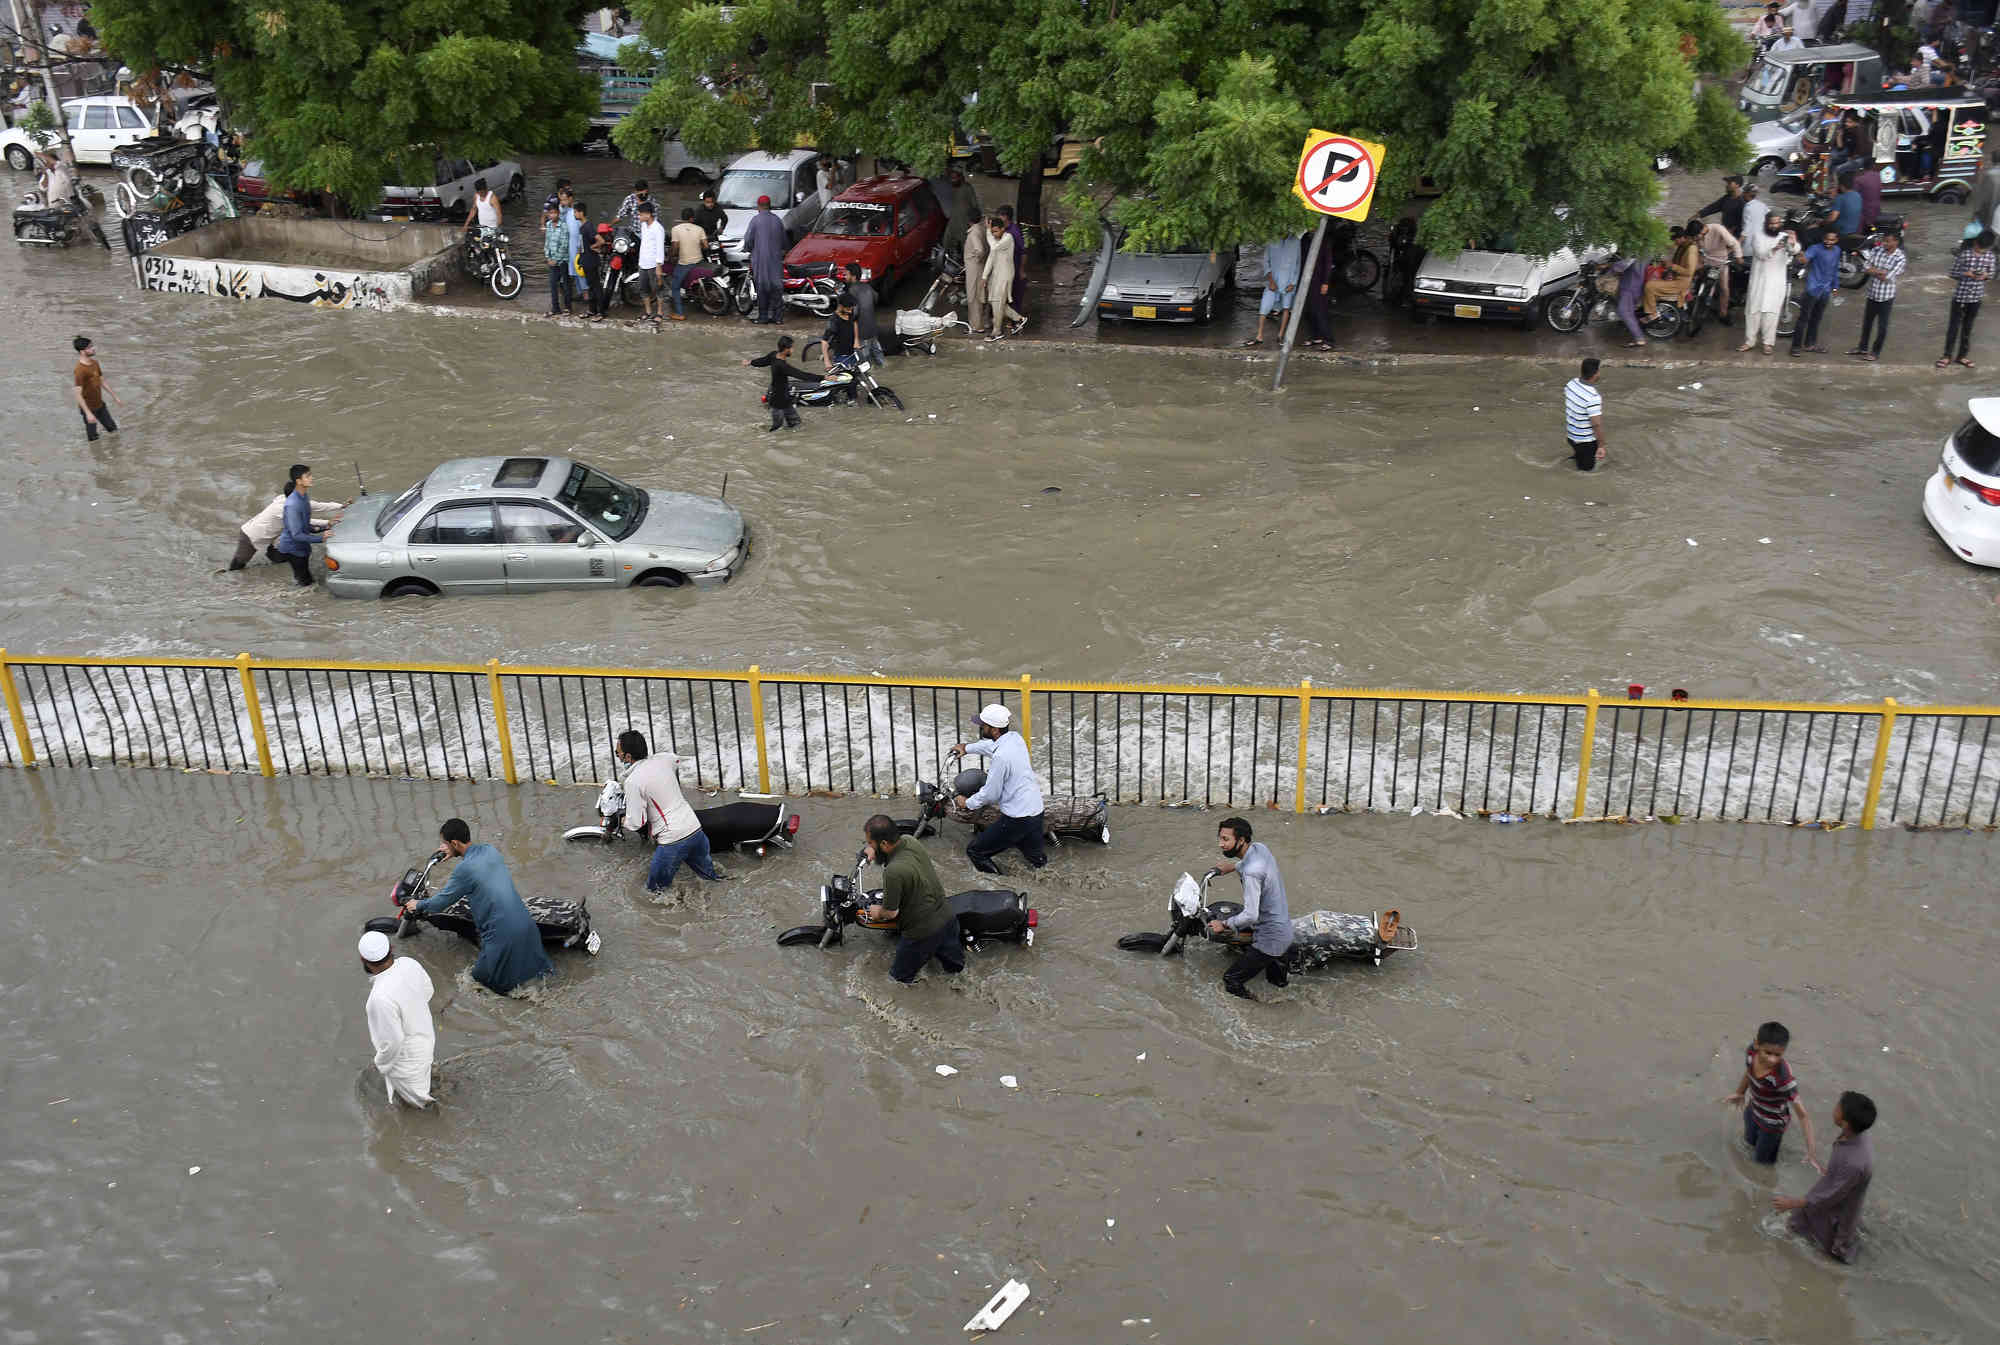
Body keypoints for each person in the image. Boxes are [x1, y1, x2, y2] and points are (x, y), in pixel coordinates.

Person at [398, 818, 554, 995]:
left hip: (502, 937)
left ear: (455, 843)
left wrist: (418, 904)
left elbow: (440, 903)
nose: (443, 847)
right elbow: (479, 873)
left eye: (445, 844)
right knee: (539, 983)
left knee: (476, 983)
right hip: (528, 927)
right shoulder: (491, 850)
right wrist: (454, 853)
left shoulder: (464, 870)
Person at [858, 814, 962, 985]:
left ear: (884, 844)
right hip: (948, 917)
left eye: (870, 843)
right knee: (955, 971)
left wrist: (877, 912)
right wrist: (872, 851)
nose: (868, 846)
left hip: (922, 933)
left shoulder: (893, 871)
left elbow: (891, 913)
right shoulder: (909, 840)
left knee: (898, 981)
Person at [1774, 1092, 1877, 1263]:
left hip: (1836, 1207)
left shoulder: (1855, 1163)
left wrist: (1792, 1203)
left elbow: (1831, 1196)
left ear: (1845, 1123)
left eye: (1838, 1107)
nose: (1834, 1108)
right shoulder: (1854, 1133)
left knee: (1833, 1250)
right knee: (1800, 1224)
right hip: (1834, 1193)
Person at [616, 730, 724, 891]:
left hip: (673, 840)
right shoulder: (664, 760)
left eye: (618, 753)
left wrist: (624, 820)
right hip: (695, 829)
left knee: (655, 891)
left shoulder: (632, 782)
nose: (617, 756)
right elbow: (676, 759)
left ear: (628, 757)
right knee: (711, 879)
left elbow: (636, 823)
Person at [953, 704, 1047, 874]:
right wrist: (966, 748)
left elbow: (991, 794)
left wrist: (967, 803)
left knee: (975, 851)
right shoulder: (1015, 739)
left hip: (1017, 818)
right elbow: (990, 747)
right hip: (1035, 810)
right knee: (1037, 862)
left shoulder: (1001, 758)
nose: (980, 727)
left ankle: (998, 885)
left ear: (994, 729)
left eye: (983, 725)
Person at [1206, 817, 1292, 1001]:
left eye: (1226, 839)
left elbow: (1250, 915)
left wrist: (1224, 924)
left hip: (1269, 939)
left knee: (1231, 980)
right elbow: (1254, 865)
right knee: (1277, 985)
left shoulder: (1251, 873)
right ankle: (1282, 1009)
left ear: (1242, 840)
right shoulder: (1260, 848)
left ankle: (1259, 1006)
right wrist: (1232, 867)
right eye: (1220, 838)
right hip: (1283, 930)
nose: (1220, 844)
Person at [1724, 1021, 1820, 1166]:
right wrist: (1740, 1093)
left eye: (1778, 1055)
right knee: (1748, 1144)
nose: (1772, 1059)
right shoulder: (1751, 1053)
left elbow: (1803, 1115)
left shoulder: (1782, 1078)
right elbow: (1749, 1072)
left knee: (1762, 1163)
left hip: (1772, 1125)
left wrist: (1811, 1152)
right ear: (1756, 1044)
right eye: (1767, 1053)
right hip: (1753, 1111)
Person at [358, 929, 436, 1108]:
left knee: (419, 1105)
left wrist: (381, 1064)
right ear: (391, 948)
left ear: (364, 960)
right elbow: (428, 990)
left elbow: (393, 1042)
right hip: (426, 1038)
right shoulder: (410, 964)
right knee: (424, 1086)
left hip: (407, 1061)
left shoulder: (379, 998)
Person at [231, 466, 335, 570]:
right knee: (237, 567)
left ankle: (271, 564)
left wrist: (341, 506)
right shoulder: (282, 508)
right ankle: (227, 578)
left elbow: (317, 505)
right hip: (251, 536)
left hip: (267, 536)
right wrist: (327, 522)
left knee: (279, 559)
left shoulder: (290, 499)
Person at [1738, 215, 1798, 355]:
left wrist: (1793, 241)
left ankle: (1768, 343)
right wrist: (1776, 248)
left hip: (1776, 283)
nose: (1774, 226)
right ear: (1766, 224)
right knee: (1753, 311)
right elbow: (1761, 254)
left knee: (1772, 313)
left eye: (1777, 223)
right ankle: (1749, 341)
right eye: (1772, 223)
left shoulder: (1784, 236)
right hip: (1758, 281)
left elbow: (1795, 251)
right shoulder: (1758, 236)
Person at [1940, 229, 1996, 369]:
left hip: (1976, 298)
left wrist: (1985, 276)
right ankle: (1947, 356)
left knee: (1968, 328)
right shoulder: (1965, 255)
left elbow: (1992, 274)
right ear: (1975, 242)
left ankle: (1962, 356)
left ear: (1989, 247)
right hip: (1960, 297)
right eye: (1979, 247)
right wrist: (1967, 273)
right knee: (1953, 328)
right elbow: (1952, 273)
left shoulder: (1990, 257)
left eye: (1984, 249)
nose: (1980, 250)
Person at [272, 463, 332, 587]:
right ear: (299, 481)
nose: (311, 478)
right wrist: (321, 538)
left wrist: (325, 527)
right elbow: (297, 534)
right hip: (293, 549)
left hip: (302, 547)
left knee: (306, 579)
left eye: (310, 475)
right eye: (308, 476)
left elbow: (304, 523)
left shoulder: (303, 497)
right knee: (306, 584)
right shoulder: (292, 505)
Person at [1850, 230, 1906, 361]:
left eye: (1887, 241)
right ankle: (1862, 348)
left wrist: (1875, 271)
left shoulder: (1900, 258)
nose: (1884, 243)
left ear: (1895, 242)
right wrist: (1880, 272)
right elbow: (1865, 267)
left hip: (1886, 297)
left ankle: (1875, 352)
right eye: (1884, 241)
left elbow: (1886, 278)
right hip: (1872, 294)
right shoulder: (1877, 250)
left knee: (1882, 326)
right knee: (1867, 323)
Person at [748, 334, 819, 430]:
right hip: (777, 404)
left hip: (785, 400)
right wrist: (824, 378)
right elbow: (802, 375)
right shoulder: (782, 366)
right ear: (786, 349)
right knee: (776, 429)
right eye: (792, 348)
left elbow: (762, 361)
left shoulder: (774, 355)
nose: (793, 350)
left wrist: (750, 362)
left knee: (797, 424)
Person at [1791, 226, 1842, 355]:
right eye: (1826, 239)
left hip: (1825, 290)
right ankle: (1795, 347)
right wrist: (1799, 252)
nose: (1828, 242)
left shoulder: (1837, 251)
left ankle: (1810, 344)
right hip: (1812, 289)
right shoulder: (1815, 249)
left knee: (1816, 319)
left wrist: (1835, 287)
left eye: (1832, 240)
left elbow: (1835, 270)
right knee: (1804, 318)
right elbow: (1804, 260)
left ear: (1836, 240)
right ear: (1823, 238)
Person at [1246, 232, 1302, 345]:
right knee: (1264, 306)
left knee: (1286, 308)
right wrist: (1271, 280)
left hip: (1288, 281)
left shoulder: (1296, 241)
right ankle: (1259, 335)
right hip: (1273, 281)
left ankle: (1280, 335)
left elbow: (1298, 263)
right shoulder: (1272, 239)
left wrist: (1293, 283)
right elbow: (1266, 262)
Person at [744, 194, 788, 324]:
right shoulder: (777, 220)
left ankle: (763, 317)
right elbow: (784, 241)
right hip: (775, 260)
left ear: (759, 206)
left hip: (760, 260)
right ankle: (778, 318)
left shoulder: (755, 220)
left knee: (762, 287)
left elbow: (748, 240)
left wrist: (748, 249)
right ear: (770, 206)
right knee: (776, 287)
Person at [1691, 213, 1743, 321]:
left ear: (1702, 230)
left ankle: (1723, 313)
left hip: (1720, 262)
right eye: (1694, 237)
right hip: (1706, 260)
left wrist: (1738, 257)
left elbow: (1734, 244)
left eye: (1696, 237)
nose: (1696, 239)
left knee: (1724, 288)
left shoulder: (1717, 229)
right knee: (1693, 276)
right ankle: (1692, 301)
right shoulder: (1697, 237)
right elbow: (1697, 249)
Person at [981, 217, 1026, 340]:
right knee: (993, 302)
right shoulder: (996, 239)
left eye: (996, 231)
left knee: (998, 303)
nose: (994, 234)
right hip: (995, 275)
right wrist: (984, 276)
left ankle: (997, 332)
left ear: (1003, 229)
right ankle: (1019, 319)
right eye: (993, 231)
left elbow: (994, 248)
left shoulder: (1008, 238)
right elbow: (991, 258)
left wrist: (988, 231)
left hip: (1005, 276)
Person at [1641, 225, 1697, 323]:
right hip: (1675, 277)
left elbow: (1689, 272)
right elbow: (1667, 249)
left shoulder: (1691, 249)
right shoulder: (1682, 246)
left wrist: (1672, 266)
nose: (1674, 243)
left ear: (1680, 238)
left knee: (1649, 286)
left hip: (1681, 283)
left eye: (1674, 240)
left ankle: (1653, 314)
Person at [71, 334, 120, 442]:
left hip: (100, 405)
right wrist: (88, 413)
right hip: (88, 408)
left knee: (113, 430)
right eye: (90, 347)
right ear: (82, 351)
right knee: (93, 439)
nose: (94, 348)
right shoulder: (79, 370)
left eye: (93, 346)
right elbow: (77, 394)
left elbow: (102, 381)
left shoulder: (95, 363)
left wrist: (115, 396)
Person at [1563, 358, 1606, 472]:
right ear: (1595, 374)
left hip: (1571, 437)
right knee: (1587, 472)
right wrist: (1601, 446)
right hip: (1585, 442)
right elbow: (1596, 424)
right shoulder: (1593, 397)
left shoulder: (1571, 384)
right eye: (1599, 371)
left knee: (1579, 456)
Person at [668, 206, 706, 321]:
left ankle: (679, 313)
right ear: (692, 218)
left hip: (685, 263)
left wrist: (671, 257)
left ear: (682, 217)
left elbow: (674, 248)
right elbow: (706, 246)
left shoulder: (675, 229)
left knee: (674, 287)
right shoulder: (700, 229)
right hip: (699, 260)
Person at [842, 261, 883, 363]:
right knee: (879, 357)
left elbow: (855, 313)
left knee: (864, 363)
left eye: (846, 274)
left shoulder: (852, 290)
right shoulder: (868, 287)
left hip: (862, 332)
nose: (844, 277)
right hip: (873, 329)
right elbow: (876, 298)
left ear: (853, 276)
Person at [635, 200, 667, 328]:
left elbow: (660, 248)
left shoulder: (658, 229)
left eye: (640, 214)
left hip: (654, 264)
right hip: (643, 262)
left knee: (658, 288)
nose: (639, 217)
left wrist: (659, 266)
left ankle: (659, 312)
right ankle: (648, 312)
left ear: (648, 214)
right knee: (643, 288)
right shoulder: (644, 226)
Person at [1301, 235, 1336, 350]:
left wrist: (1325, 282)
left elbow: (1327, 262)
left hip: (1319, 280)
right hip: (1306, 279)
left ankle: (1328, 339)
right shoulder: (1305, 239)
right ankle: (1315, 336)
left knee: (1320, 310)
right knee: (1308, 310)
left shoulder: (1324, 240)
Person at [941, 165, 982, 256]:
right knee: (946, 242)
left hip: (965, 223)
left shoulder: (967, 188)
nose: (953, 180)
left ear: (960, 177)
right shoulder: (950, 188)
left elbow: (975, 206)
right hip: (953, 221)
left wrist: (973, 221)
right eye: (951, 178)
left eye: (955, 178)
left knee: (966, 246)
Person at [541, 202, 573, 317]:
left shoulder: (564, 226)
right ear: (548, 214)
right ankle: (555, 308)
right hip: (552, 261)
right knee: (553, 284)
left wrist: (556, 259)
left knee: (565, 284)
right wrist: (548, 257)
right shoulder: (548, 225)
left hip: (562, 260)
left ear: (558, 214)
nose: (552, 215)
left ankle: (568, 308)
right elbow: (547, 242)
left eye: (554, 213)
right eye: (550, 213)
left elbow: (564, 245)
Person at [963, 213, 990, 334]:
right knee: (980, 295)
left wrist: (976, 259)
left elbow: (980, 250)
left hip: (974, 268)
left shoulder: (973, 233)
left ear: (969, 221)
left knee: (973, 296)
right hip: (980, 267)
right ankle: (982, 322)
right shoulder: (981, 230)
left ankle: (976, 326)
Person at [821, 297, 859, 382]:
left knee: (855, 379)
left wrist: (856, 341)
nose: (851, 310)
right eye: (849, 308)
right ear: (841, 306)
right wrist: (827, 362)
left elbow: (854, 323)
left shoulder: (850, 313)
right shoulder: (834, 321)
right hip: (841, 356)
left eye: (852, 308)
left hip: (853, 353)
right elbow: (824, 341)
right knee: (844, 381)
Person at [1613, 255, 1648, 347]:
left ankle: (1639, 338)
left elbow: (1619, 267)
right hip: (1635, 285)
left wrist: (1610, 266)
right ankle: (1636, 335)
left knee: (1624, 311)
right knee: (1629, 312)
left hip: (1629, 286)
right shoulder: (1647, 250)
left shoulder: (1638, 251)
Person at [581, 221, 611, 321]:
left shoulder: (588, 226)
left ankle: (601, 312)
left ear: (580, 212)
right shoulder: (583, 226)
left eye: (576, 212)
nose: (574, 214)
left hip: (591, 261)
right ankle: (592, 310)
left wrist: (593, 247)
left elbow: (601, 241)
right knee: (591, 287)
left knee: (596, 287)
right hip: (586, 261)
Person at [1853, 161, 1883, 232]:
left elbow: (1854, 195)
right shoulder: (1877, 175)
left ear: (1863, 168)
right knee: (1871, 227)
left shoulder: (1859, 179)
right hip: (1877, 208)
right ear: (1873, 167)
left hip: (1865, 211)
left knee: (1859, 229)